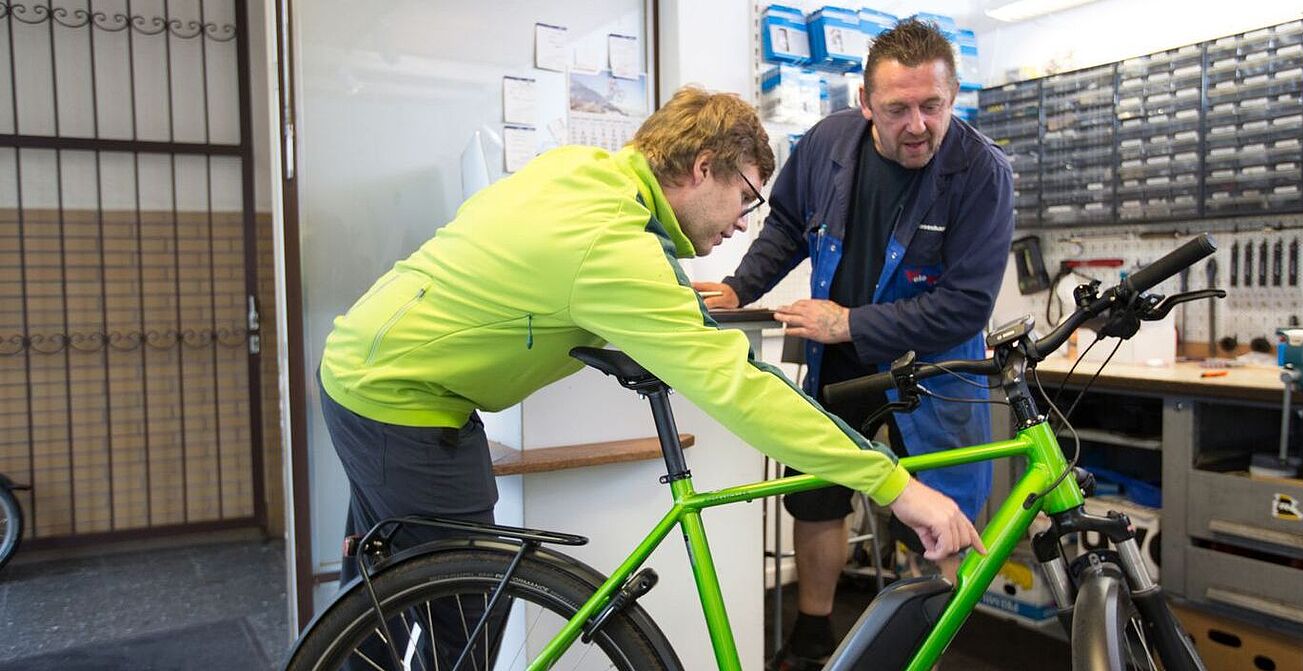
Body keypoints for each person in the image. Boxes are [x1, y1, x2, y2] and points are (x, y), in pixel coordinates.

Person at [317, 85, 985, 666]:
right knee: (459, 629)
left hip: (367, 363)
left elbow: (539, 274)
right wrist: (895, 484)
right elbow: (739, 386)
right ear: (703, 169)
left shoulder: (580, 171)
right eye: (746, 198)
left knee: (382, 599)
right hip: (402, 400)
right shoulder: (615, 247)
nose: (742, 224)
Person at [694, 19, 1014, 669]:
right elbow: (785, 223)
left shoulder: (983, 173)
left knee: (938, 510)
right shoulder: (827, 143)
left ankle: (922, 644)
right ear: (865, 103)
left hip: (933, 369)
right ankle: (813, 634)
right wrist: (738, 286)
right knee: (817, 492)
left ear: (952, 98)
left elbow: (965, 305)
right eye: (898, 109)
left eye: (933, 106)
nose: (918, 124)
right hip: (835, 362)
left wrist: (850, 322)